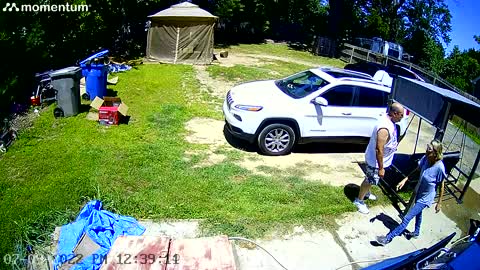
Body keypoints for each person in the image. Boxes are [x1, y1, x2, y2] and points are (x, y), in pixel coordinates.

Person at [376, 140, 446, 245]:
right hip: (419, 191)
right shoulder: (426, 158)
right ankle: (416, 232)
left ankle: (387, 238)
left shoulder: (439, 168)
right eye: (427, 146)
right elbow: (417, 170)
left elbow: (442, 185)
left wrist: (439, 202)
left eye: (429, 149)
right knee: (418, 213)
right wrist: (405, 179)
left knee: (406, 218)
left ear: (435, 153)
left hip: (426, 198)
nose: (426, 150)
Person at [354, 102, 404, 214]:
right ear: (395, 113)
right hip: (375, 162)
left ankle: (366, 192)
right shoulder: (384, 128)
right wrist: (381, 168)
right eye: (401, 115)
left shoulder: (390, 121)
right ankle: (359, 201)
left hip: (379, 161)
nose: (402, 118)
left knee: (371, 179)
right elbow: (379, 149)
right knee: (369, 180)